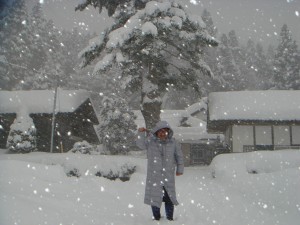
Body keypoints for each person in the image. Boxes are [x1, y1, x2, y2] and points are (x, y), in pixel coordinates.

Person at [136, 120, 184, 221]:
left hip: (168, 176)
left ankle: (169, 218)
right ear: (156, 132)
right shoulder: (150, 141)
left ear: (168, 132)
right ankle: (156, 218)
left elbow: (179, 156)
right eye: (160, 131)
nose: (162, 133)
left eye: (165, 131)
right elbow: (140, 145)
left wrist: (180, 169)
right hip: (154, 176)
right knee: (155, 198)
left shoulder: (173, 143)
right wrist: (141, 133)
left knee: (169, 198)